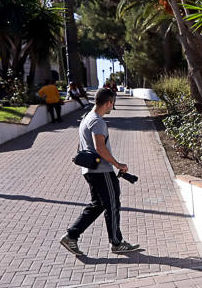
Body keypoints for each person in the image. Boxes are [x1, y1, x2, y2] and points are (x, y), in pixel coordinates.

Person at [60, 88, 141, 257]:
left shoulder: (87, 117)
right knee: (112, 205)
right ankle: (117, 243)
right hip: (101, 171)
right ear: (108, 103)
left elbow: (82, 146)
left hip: (90, 171)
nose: (113, 106)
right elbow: (100, 148)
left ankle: (71, 236)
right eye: (113, 103)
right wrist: (118, 165)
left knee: (98, 205)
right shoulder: (98, 122)